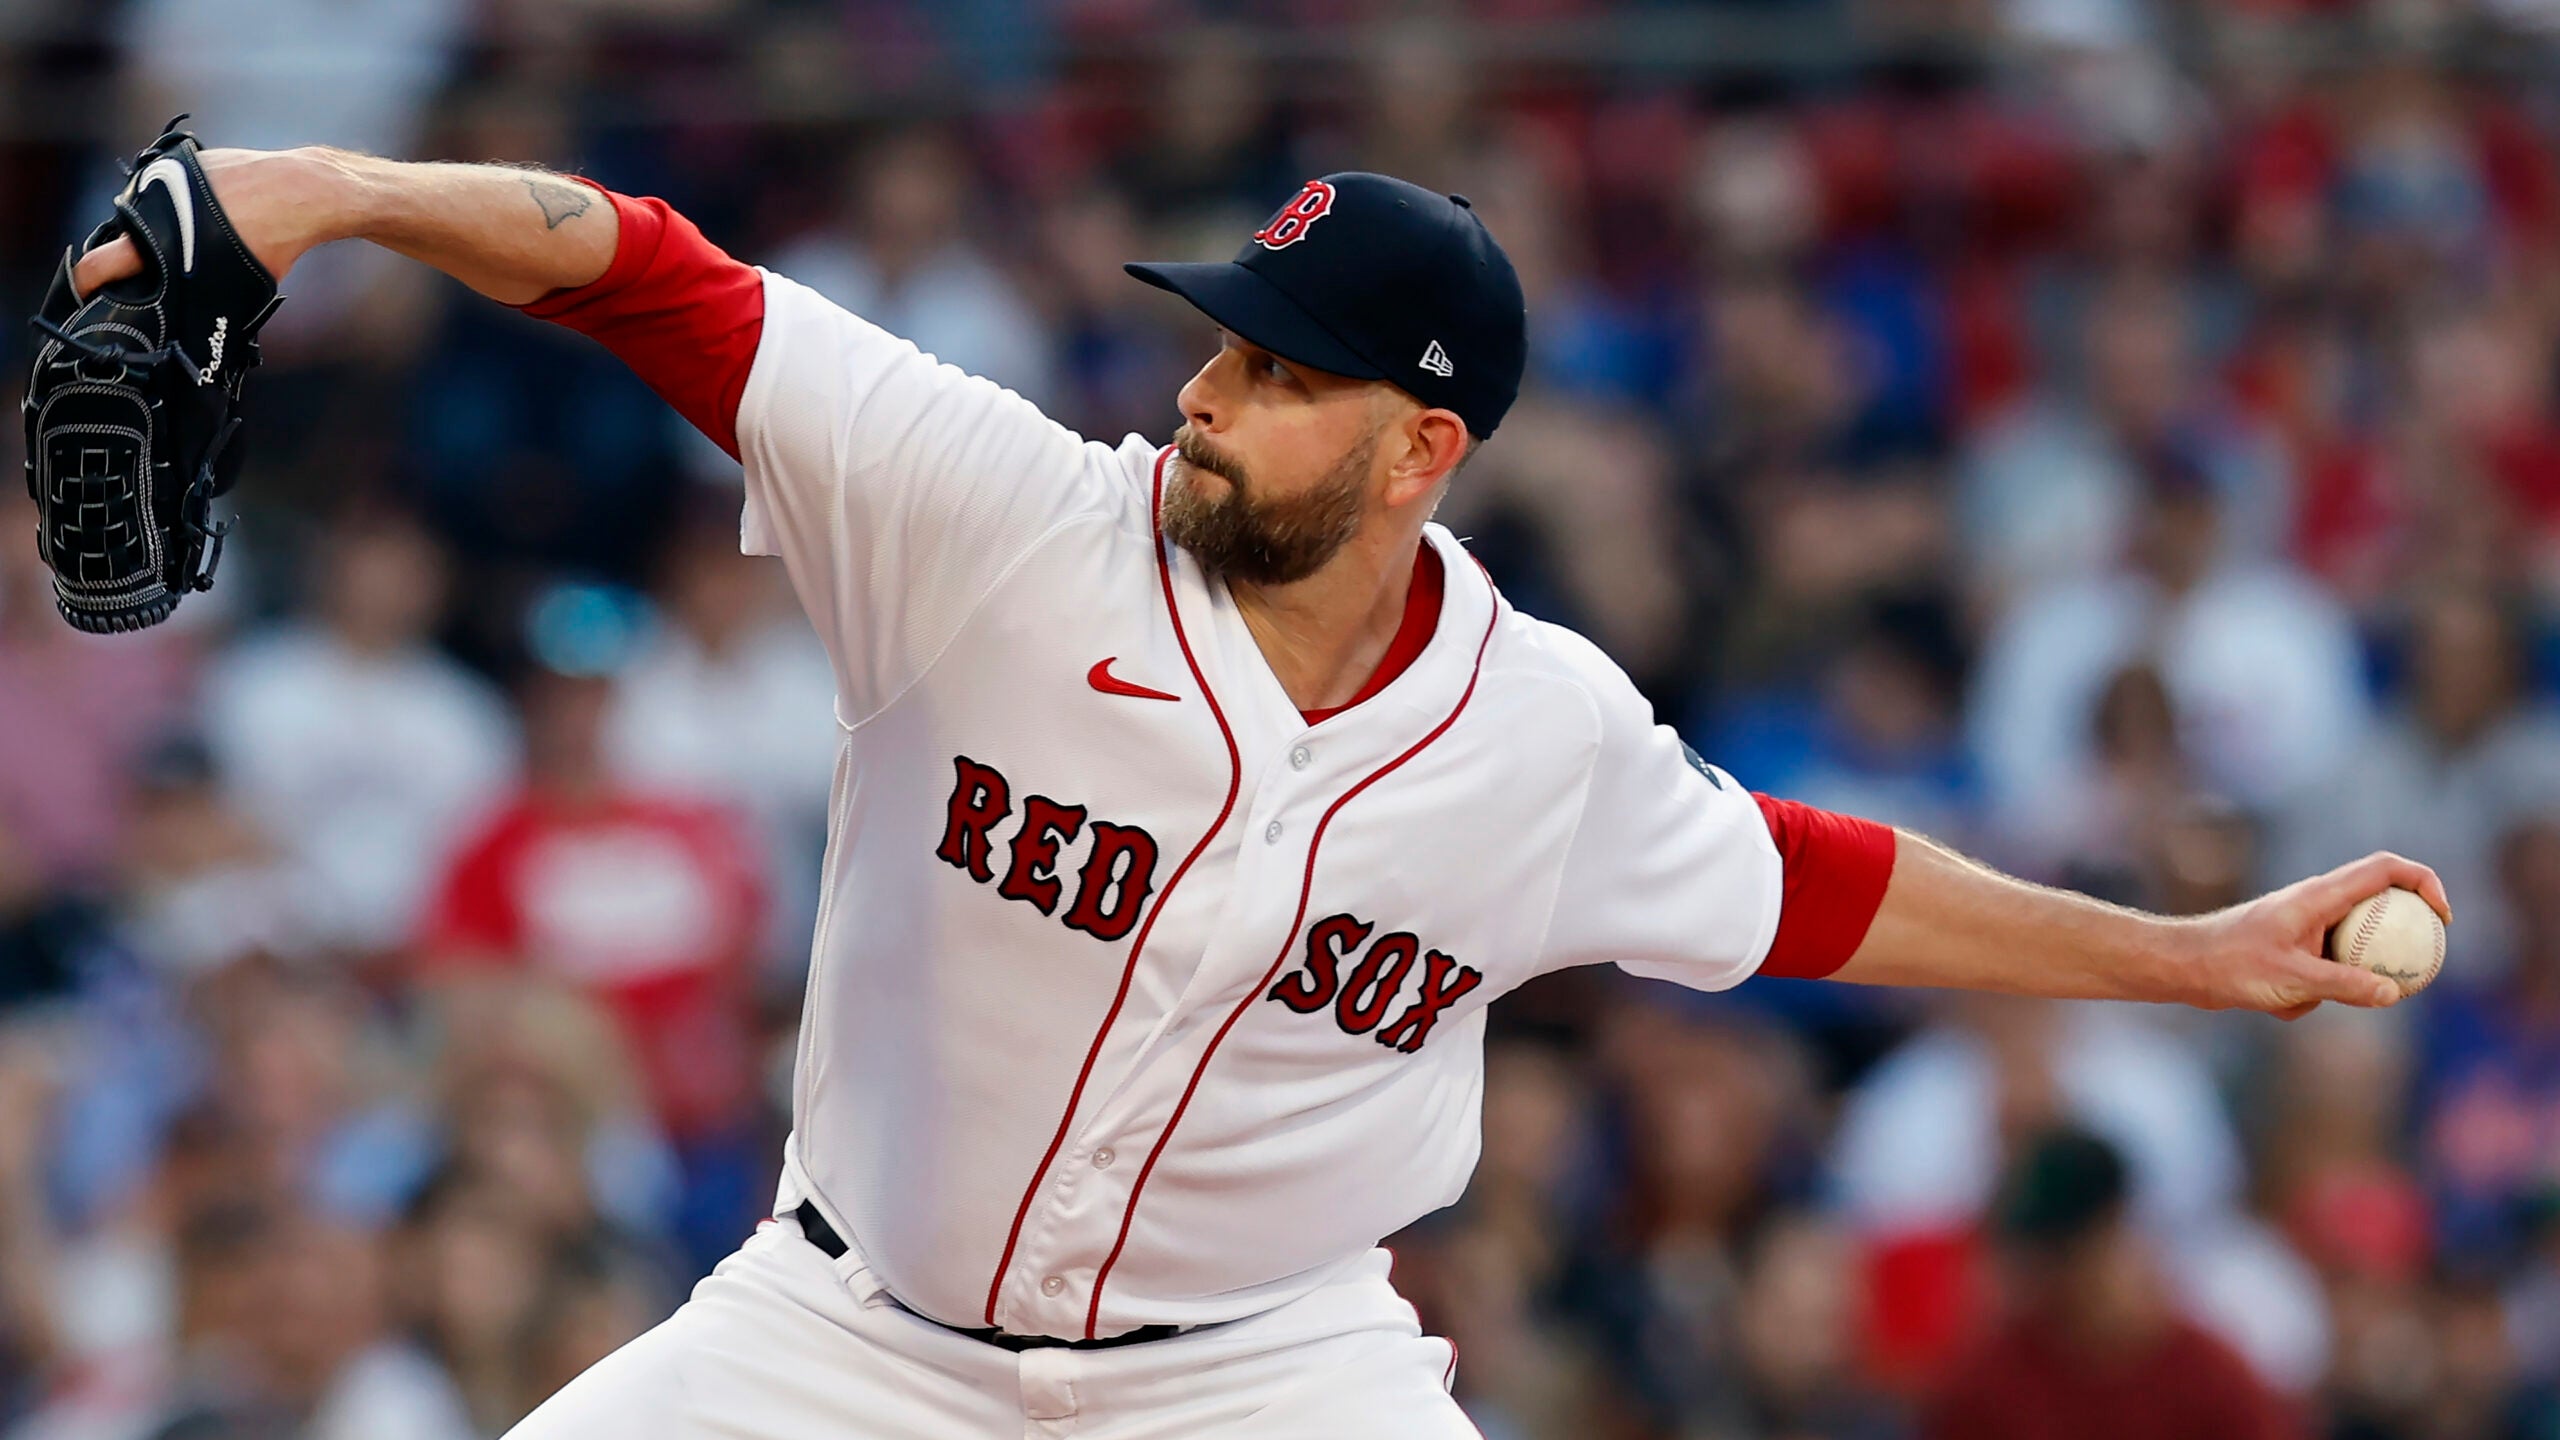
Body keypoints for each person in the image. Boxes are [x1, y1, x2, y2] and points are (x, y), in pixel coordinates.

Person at [71, 145, 2449, 1439]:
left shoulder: (1538, 734)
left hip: (1263, 1385)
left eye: (1283, 371)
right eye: (1218, 337)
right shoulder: (999, 515)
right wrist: (324, 191)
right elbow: (652, 273)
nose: (1211, 391)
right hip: (835, 1347)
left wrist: (2186, 959)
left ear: (1420, 450)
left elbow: (1811, 887)